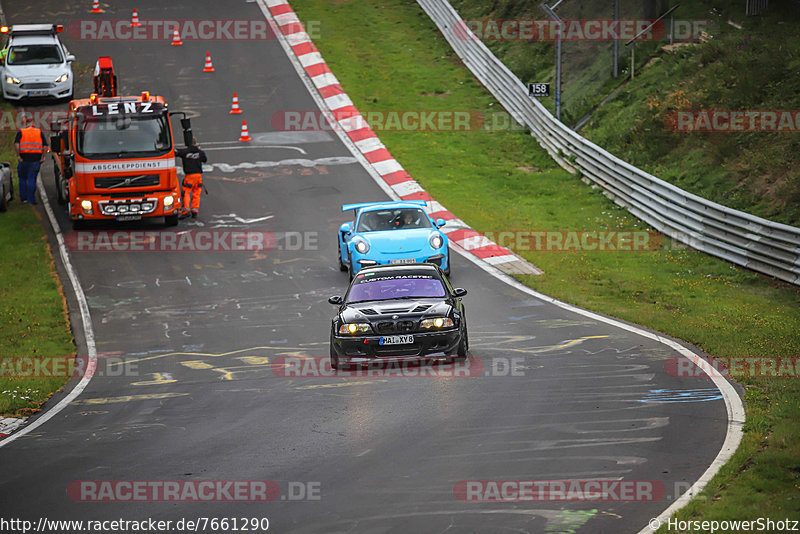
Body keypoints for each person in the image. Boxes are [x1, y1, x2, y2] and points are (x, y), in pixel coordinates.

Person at [14, 116, 48, 205]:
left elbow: (17, 144)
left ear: (25, 124)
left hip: (23, 159)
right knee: (31, 179)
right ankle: (31, 200)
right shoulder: (39, 132)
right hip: (35, 160)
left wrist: (18, 156)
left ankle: (23, 198)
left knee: (22, 178)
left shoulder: (21, 132)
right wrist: (43, 157)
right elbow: (45, 146)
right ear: (33, 123)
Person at [175, 137, 207, 218]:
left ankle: (186, 209)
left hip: (189, 176)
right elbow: (204, 159)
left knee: (186, 192)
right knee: (197, 192)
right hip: (198, 176)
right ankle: (195, 210)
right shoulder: (200, 152)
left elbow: (176, 152)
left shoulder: (184, 152)